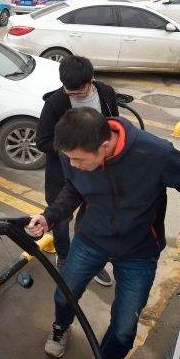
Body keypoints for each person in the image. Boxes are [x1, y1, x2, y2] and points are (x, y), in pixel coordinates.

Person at [27, 108, 180, 359]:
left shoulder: (155, 153)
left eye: (79, 160)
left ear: (105, 146)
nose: (73, 165)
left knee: (125, 328)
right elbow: (74, 187)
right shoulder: (73, 153)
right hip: (91, 239)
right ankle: (61, 326)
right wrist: (49, 217)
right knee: (64, 294)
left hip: (138, 250)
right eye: (69, 159)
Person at [37, 56, 119, 286]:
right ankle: (64, 256)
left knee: (94, 221)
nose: (74, 96)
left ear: (91, 79)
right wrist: (73, 151)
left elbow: (115, 126)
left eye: (79, 92)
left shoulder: (105, 93)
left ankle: (94, 263)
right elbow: (42, 141)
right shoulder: (55, 103)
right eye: (69, 92)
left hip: (100, 174)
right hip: (63, 178)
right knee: (60, 220)